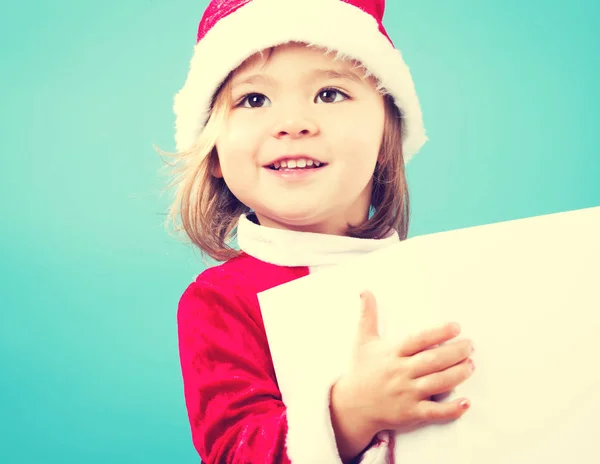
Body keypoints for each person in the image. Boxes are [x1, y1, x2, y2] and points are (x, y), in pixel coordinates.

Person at [167, 0, 475, 462]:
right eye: (254, 100)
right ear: (212, 152)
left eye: (330, 94)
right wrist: (349, 414)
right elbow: (235, 451)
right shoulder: (221, 303)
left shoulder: (441, 277)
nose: (293, 125)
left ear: (387, 136)